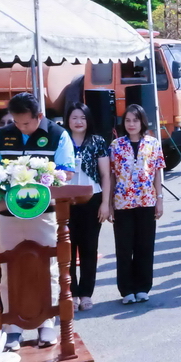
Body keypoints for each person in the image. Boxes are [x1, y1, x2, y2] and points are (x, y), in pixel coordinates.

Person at [0, 92, 75, 351]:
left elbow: (67, 172)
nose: (21, 127)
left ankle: (46, 324)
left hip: (44, 213)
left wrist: (40, 176)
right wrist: (0, 175)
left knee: (48, 268)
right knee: (8, 269)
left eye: (26, 123)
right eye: (16, 122)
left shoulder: (58, 135)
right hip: (8, 213)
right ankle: (12, 328)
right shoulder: (3, 134)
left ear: (39, 116)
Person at [109, 104, 165, 304]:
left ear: (142, 122)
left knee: (145, 246)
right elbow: (112, 175)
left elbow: (157, 172)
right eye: (128, 120)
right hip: (122, 202)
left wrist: (159, 199)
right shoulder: (116, 145)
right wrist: (109, 203)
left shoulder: (153, 143)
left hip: (146, 201)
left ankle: (143, 287)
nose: (131, 124)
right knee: (124, 248)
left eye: (135, 120)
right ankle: (126, 290)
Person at [65, 102, 111, 312]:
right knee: (67, 248)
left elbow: (105, 175)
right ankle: (72, 293)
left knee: (89, 248)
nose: (78, 121)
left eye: (82, 117)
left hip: (92, 199)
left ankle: (86, 294)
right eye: (74, 117)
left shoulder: (97, 141)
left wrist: (105, 204)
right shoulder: (62, 140)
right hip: (66, 200)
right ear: (68, 120)